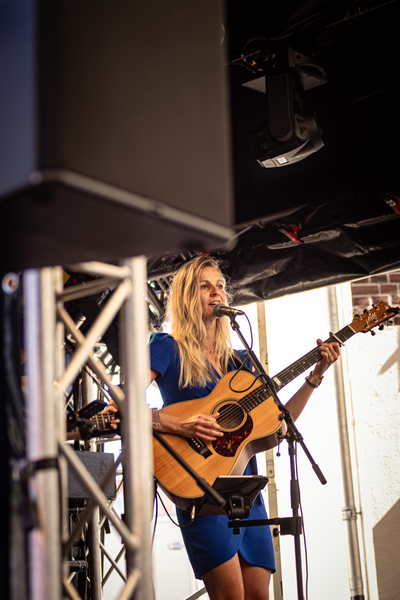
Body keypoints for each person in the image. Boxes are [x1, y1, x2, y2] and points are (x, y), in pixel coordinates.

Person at [110, 255, 340, 600]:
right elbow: (120, 405)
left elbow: (279, 424)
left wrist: (314, 377)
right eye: (205, 287)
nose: (217, 293)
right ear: (188, 296)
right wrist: (176, 422)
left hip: (247, 495)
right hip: (201, 491)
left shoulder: (241, 361)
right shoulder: (166, 348)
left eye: (220, 286)